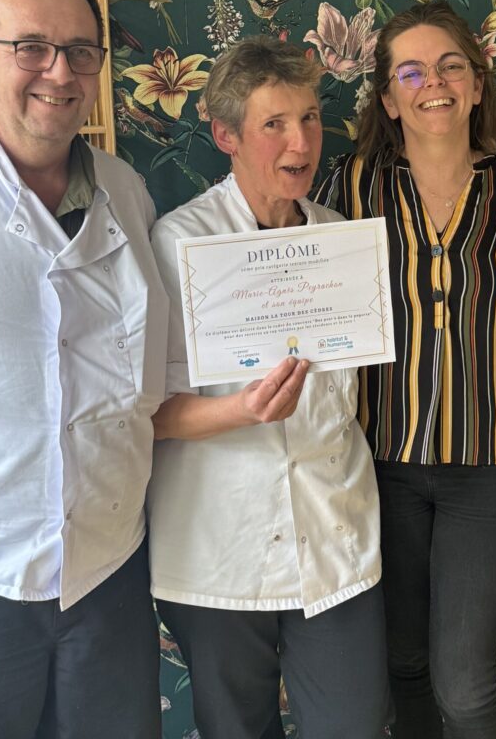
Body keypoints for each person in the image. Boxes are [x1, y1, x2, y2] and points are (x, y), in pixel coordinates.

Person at [0, 0, 168, 739]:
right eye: (30, 47)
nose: (58, 72)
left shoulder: (127, 193)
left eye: (81, 52)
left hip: (106, 570)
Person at [315, 0, 496, 739]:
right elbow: (315, 304)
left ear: (478, 85)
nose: (434, 83)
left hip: (490, 467)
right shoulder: (350, 186)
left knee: (465, 684)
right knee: (404, 666)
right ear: (388, 98)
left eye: (451, 66)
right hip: (377, 462)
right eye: (411, 71)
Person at [147, 37, 390, 739]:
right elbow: (148, 413)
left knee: (350, 725)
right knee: (235, 729)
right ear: (225, 134)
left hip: (335, 530)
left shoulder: (341, 240)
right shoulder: (177, 243)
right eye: (274, 123)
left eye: (310, 118)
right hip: (220, 542)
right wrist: (240, 410)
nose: (301, 140)